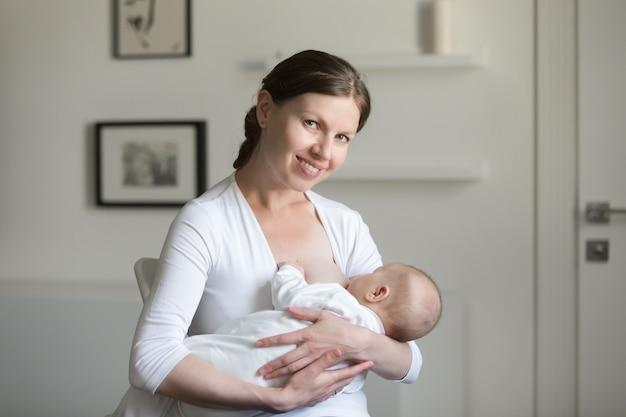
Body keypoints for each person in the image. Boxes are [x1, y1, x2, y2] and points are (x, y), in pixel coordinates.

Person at [107, 49, 424, 417]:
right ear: (265, 109)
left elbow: (408, 363)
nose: (324, 151)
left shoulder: (344, 223)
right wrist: (277, 400)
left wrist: (355, 340)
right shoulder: (206, 221)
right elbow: (150, 357)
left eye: (342, 137)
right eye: (311, 124)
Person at [111, 262, 441, 417]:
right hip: (252, 404)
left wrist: (290, 271)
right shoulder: (363, 364)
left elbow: (291, 295)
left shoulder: (341, 300)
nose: (356, 274)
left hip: (241, 360)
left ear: (378, 291)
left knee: (183, 360)